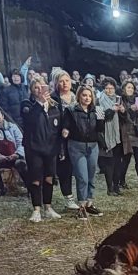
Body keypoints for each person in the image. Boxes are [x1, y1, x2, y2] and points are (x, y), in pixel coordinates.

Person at [61, 85, 109, 218]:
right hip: (77, 146)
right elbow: (65, 125)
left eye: (89, 96)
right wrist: (65, 131)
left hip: (92, 146)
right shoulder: (71, 110)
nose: (87, 98)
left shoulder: (97, 110)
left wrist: (101, 117)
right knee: (82, 176)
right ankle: (81, 206)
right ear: (79, 96)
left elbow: (100, 128)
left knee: (91, 176)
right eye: (84, 95)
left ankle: (89, 204)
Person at [20, 77, 63, 223]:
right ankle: (36, 209)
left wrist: (60, 147)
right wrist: (40, 104)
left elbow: (57, 128)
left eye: (42, 87)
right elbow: (30, 120)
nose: (39, 90)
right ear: (32, 90)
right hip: (34, 148)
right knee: (36, 179)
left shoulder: (53, 106)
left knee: (49, 178)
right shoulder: (27, 105)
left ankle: (48, 207)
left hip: (50, 148)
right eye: (36, 87)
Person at [51, 70, 78, 211]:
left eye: (67, 80)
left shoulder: (76, 96)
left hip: (77, 137)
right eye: (61, 81)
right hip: (62, 139)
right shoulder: (53, 99)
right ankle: (68, 198)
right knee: (65, 169)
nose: (64, 83)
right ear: (56, 83)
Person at [95, 78, 125, 196]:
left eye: (111, 88)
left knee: (118, 161)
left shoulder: (118, 99)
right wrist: (112, 110)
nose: (109, 90)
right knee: (109, 163)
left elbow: (124, 119)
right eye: (107, 88)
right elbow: (100, 119)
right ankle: (110, 188)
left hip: (117, 135)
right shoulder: (99, 100)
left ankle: (116, 186)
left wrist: (122, 111)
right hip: (106, 135)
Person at [0, 108, 28, 196]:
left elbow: (21, 142)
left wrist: (17, 154)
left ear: (2, 116)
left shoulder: (12, 127)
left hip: (14, 156)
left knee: (21, 164)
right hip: (0, 157)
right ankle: (0, 188)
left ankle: (29, 187)